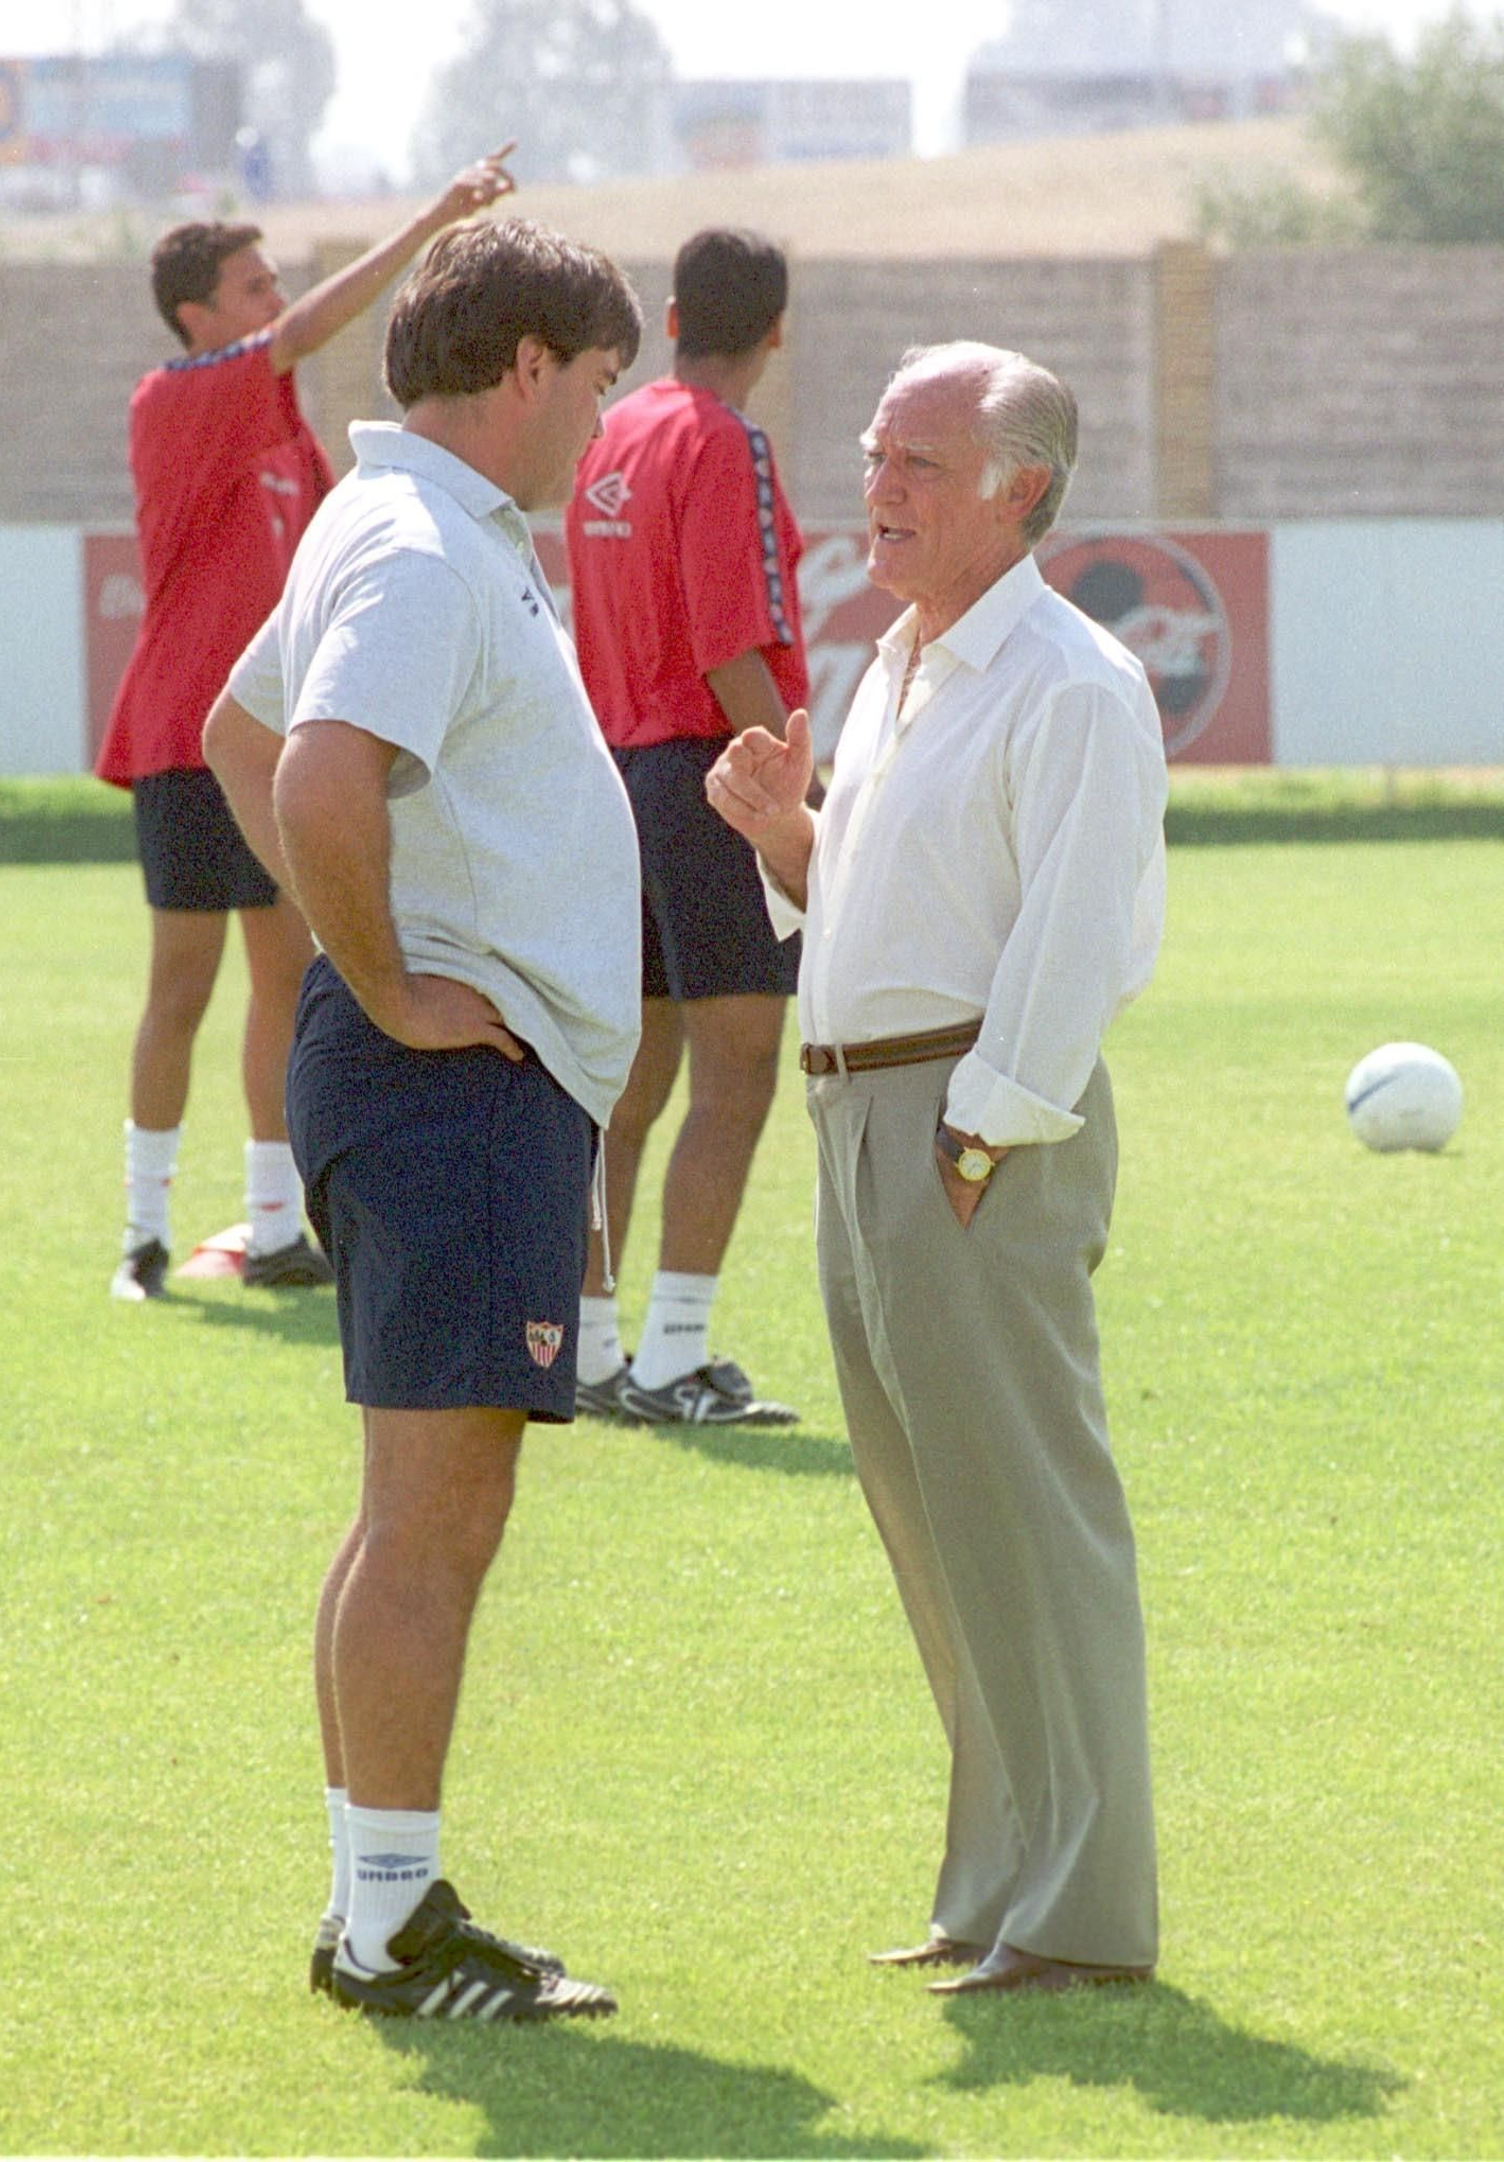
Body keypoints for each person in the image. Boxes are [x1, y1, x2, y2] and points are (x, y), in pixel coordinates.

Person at [205, 216, 643, 2021]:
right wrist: (388, 984)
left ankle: (373, 1906)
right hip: (448, 1085)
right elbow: (306, 767)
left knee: (410, 1516)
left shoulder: (406, 528)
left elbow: (242, 735)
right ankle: (390, 1927)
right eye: (600, 385)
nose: (603, 428)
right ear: (526, 366)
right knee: (434, 1524)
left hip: (460, 1085)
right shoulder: (421, 540)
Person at [706, 341, 1167, 1994]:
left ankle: (1080, 1910)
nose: (875, 490)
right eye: (874, 451)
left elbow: (1075, 935)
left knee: (1031, 1519)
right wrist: (786, 844)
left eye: (916, 462)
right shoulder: (901, 664)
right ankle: (995, 1885)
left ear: (1018, 489)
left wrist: (985, 1130)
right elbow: (900, 905)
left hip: (975, 1132)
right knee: (935, 1518)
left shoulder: (1072, 681)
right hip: (865, 1125)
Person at [98, 147, 515, 1301]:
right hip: (192, 733)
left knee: (289, 975)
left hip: (277, 740)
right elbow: (306, 334)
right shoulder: (177, 395)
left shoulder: (287, 434)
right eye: (253, 285)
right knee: (181, 985)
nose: (275, 301)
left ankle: (276, 1222)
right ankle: (141, 1229)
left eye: (275, 281)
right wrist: (436, 214)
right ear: (197, 315)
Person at [563, 228, 807, 1427]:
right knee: (737, 1070)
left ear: (667, 318)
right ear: (775, 332)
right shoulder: (725, 441)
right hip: (709, 783)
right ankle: (672, 1358)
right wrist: (791, 800)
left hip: (618, 775)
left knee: (633, 1072)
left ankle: (589, 1345)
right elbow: (727, 644)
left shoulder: (612, 432)